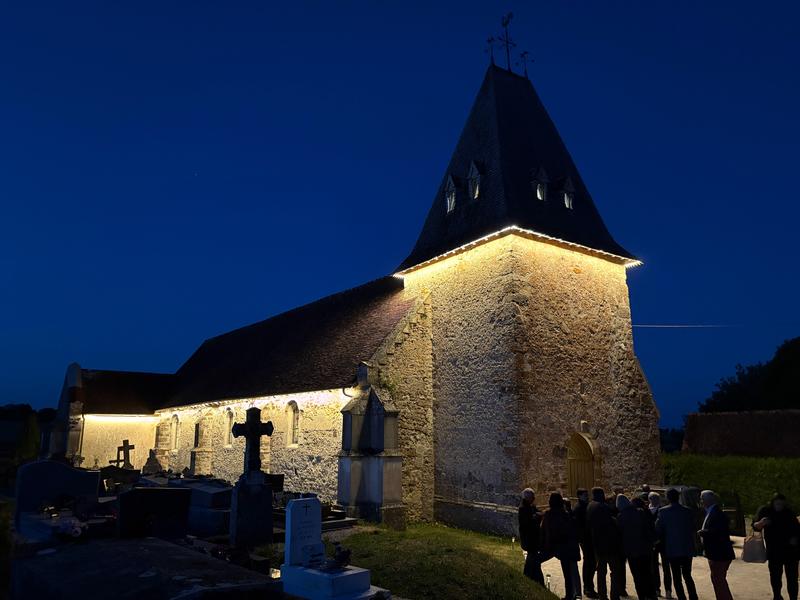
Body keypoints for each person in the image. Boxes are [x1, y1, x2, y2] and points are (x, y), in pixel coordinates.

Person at [753, 493, 800, 600]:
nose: (780, 506)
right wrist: (761, 523)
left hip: (790, 550)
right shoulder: (765, 510)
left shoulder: (788, 512)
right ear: (773, 503)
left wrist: (795, 538)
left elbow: (797, 528)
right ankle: (777, 596)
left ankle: (793, 597)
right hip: (774, 549)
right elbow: (755, 526)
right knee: (775, 576)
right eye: (778, 504)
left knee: (792, 578)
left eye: (782, 504)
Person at [656, 488, 699, 600]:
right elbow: (693, 528)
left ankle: (682, 597)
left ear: (668, 498)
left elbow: (659, 530)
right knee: (687, 575)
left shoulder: (663, 512)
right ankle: (693, 597)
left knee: (676, 576)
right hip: (687, 547)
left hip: (672, 548)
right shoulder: (688, 511)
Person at [541, 492, 581, 600]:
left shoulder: (549, 514)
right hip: (566, 545)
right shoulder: (565, 514)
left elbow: (544, 530)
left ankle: (539, 584)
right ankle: (570, 595)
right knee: (567, 573)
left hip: (554, 545)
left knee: (535, 561)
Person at [616, 494, 657, 599]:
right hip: (645, 549)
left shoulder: (621, 517)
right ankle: (652, 595)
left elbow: (619, 535)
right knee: (648, 574)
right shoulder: (640, 512)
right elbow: (649, 528)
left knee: (637, 576)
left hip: (632, 551)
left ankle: (642, 596)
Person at [587, 487, 624, 600]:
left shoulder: (590, 506)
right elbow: (611, 525)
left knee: (601, 572)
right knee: (615, 571)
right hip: (609, 544)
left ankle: (602, 595)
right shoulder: (602, 507)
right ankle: (614, 595)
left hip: (597, 544)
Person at [698, 489, 735, 600]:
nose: (700, 501)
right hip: (716, 552)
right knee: (717, 579)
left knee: (719, 580)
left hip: (720, 553)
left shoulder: (717, 513)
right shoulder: (712, 511)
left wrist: (702, 532)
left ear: (706, 500)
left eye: (701, 499)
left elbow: (718, 531)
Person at [573, 488, 599, 599]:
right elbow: (580, 525)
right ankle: (588, 588)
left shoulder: (586, 505)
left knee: (591, 562)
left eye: (587, 494)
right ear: (579, 496)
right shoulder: (579, 508)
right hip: (585, 539)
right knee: (589, 562)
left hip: (589, 538)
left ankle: (589, 587)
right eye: (585, 495)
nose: (587, 496)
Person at [649, 491, 673, 599]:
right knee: (654, 567)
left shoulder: (662, 511)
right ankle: (656, 588)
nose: (654, 501)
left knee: (666, 567)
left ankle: (668, 589)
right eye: (652, 499)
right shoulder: (647, 511)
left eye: (656, 499)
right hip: (653, 543)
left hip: (663, 542)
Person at [518, 487, 544, 585]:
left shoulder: (529, 506)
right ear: (528, 498)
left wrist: (539, 515)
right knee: (533, 560)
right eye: (532, 497)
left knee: (532, 559)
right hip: (529, 539)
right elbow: (528, 523)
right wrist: (537, 517)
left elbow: (537, 512)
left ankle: (530, 578)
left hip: (532, 539)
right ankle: (534, 580)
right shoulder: (523, 508)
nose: (534, 498)